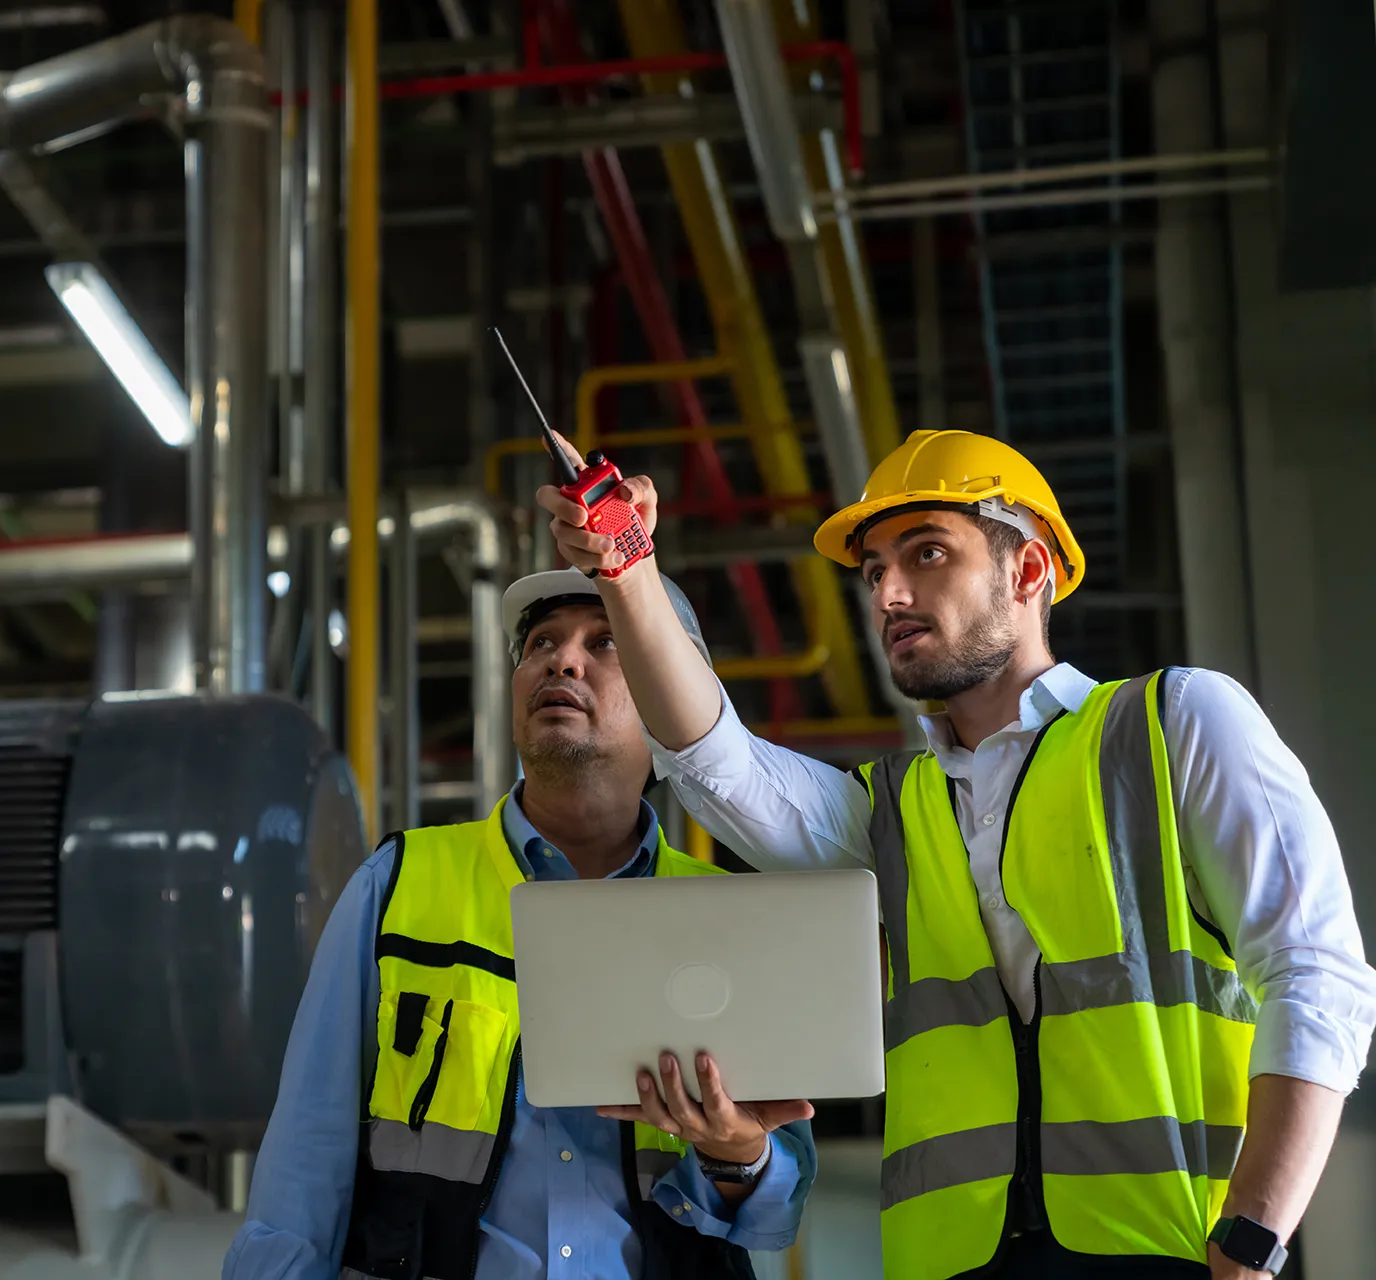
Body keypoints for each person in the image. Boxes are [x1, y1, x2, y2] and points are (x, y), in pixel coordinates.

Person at [537, 428, 1376, 1280]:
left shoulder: (1175, 727)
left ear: (1028, 572)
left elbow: (1317, 977)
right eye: (873, 573)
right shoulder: (890, 813)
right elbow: (716, 764)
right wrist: (627, 570)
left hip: (1169, 1252)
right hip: (949, 1264)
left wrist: (1253, 1240)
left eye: (928, 553)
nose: (890, 593)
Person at [223, 570, 817, 1280]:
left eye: (606, 642)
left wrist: (734, 1153)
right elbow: (303, 1169)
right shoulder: (397, 884)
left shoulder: (734, 917)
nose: (562, 660)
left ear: (673, 703)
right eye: (541, 643)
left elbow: (776, 1213)